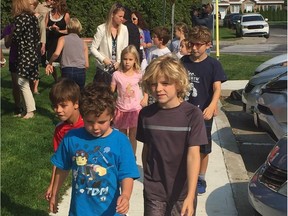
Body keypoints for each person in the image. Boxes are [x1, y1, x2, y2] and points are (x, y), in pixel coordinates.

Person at [49, 83, 140, 215]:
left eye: (102, 122)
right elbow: (62, 167)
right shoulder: (72, 138)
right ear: (82, 115)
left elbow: (127, 174)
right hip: (80, 211)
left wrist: (125, 196)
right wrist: (55, 193)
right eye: (89, 122)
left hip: (111, 211)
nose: (95, 127)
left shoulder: (121, 141)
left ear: (112, 116)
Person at [137, 55, 208, 216]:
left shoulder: (192, 115)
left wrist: (191, 195)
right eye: (154, 84)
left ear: (178, 83)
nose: (158, 89)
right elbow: (147, 149)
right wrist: (148, 179)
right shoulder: (146, 115)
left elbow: (193, 155)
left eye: (165, 83)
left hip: (183, 191)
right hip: (154, 190)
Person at [181, 25, 227, 194]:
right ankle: (185, 175)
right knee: (184, 145)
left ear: (208, 45)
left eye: (198, 44)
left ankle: (201, 177)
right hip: (183, 112)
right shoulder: (183, 62)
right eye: (191, 44)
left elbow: (217, 89)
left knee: (202, 148)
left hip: (203, 114)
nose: (194, 48)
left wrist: (213, 105)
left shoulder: (213, 64)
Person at [45, 78, 84, 201]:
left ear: (76, 104)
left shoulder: (90, 124)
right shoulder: (60, 129)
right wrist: (52, 186)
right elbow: (59, 160)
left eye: (63, 105)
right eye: (55, 106)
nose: (58, 110)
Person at [111, 45, 148, 155]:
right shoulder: (116, 75)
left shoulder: (138, 75)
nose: (127, 62)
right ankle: (123, 156)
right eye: (125, 59)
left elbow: (145, 86)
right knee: (122, 135)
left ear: (135, 60)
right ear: (121, 59)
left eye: (130, 59)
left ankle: (132, 156)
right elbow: (111, 90)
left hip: (134, 109)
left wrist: (145, 98)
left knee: (133, 135)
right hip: (121, 108)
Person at [12, 0, 40, 119]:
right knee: (25, 82)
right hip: (32, 53)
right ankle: (26, 109)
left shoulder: (20, 18)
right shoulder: (32, 18)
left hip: (24, 54)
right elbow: (37, 35)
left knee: (22, 82)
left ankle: (30, 110)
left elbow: (15, 36)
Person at [90, 3, 128, 85]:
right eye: (120, 16)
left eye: (123, 16)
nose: (122, 19)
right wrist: (103, 59)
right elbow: (93, 48)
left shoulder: (124, 29)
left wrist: (119, 62)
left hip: (119, 69)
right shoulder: (101, 29)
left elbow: (125, 49)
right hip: (103, 70)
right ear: (112, 15)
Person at [45, 18, 89, 89]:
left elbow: (56, 54)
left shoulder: (62, 39)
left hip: (67, 70)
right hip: (80, 71)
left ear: (67, 27)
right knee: (79, 95)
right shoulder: (83, 43)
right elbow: (87, 65)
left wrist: (50, 63)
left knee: (66, 95)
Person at [45, 0, 70, 82]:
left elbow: (69, 30)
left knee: (62, 62)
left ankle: (63, 79)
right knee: (50, 61)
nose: (52, 3)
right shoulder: (48, 14)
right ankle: (56, 80)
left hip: (61, 41)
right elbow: (44, 27)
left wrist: (59, 31)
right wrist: (50, 28)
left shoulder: (65, 15)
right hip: (51, 41)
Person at [2, 22, 22, 116]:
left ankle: (27, 106)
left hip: (27, 58)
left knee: (27, 83)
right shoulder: (9, 27)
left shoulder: (29, 24)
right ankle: (17, 106)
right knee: (16, 84)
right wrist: (11, 33)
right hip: (14, 58)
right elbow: (6, 44)